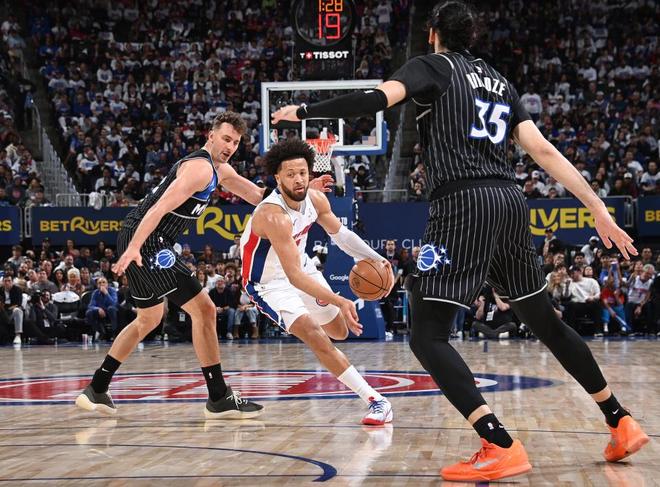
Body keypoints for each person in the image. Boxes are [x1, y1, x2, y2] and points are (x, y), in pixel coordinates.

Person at [272, 2, 647, 480]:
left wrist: (306, 111)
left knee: (426, 334)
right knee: (545, 323)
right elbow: (542, 150)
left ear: (432, 33)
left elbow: (375, 98)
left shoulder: (432, 66)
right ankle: (620, 420)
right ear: (472, 36)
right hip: (510, 201)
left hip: (463, 203)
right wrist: (597, 207)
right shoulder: (499, 81)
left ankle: (499, 443)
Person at [76, 112, 330, 419]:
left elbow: (258, 196)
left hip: (146, 239)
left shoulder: (220, 170)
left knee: (148, 319)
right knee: (205, 310)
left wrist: (303, 190)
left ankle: (97, 388)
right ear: (210, 136)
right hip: (148, 241)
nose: (230, 146)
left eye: (235, 142)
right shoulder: (199, 168)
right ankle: (219, 396)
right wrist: (133, 247)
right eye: (225, 139)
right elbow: (158, 207)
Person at [240, 139, 394, 425]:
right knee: (314, 334)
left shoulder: (316, 200)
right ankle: (377, 401)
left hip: (302, 267)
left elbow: (342, 236)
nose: (298, 179)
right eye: (290, 174)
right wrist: (338, 299)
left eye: (302, 173)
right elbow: (293, 277)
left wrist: (378, 259)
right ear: (277, 178)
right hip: (269, 284)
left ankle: (322, 335)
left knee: (339, 331)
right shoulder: (273, 215)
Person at [85, 277, 119, 341]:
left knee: (111, 309)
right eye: (99, 283)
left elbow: (114, 303)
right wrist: (98, 309)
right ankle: (100, 332)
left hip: (110, 311)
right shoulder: (95, 292)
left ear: (107, 284)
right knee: (89, 312)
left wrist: (106, 293)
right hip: (101, 311)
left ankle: (114, 333)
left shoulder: (112, 291)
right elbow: (90, 305)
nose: (102, 284)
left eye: (104, 282)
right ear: (97, 285)